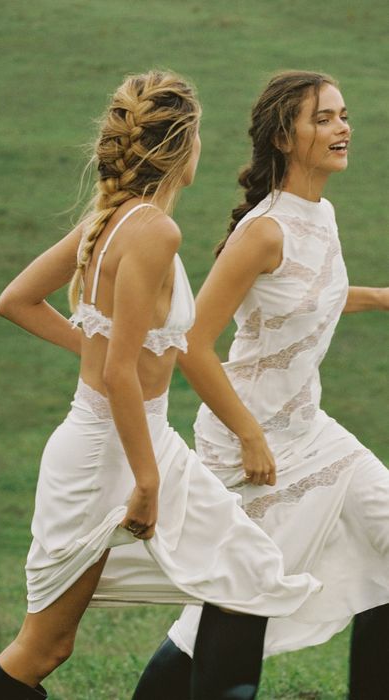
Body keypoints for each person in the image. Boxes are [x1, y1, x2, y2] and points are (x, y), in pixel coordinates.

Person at [0, 70, 320, 700]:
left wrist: (99, 354)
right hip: (113, 457)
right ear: (183, 147)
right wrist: (147, 482)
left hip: (136, 444)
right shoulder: (154, 232)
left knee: (250, 575)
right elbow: (118, 372)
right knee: (45, 647)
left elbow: (16, 301)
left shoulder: (110, 220)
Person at [132, 70, 389, 700]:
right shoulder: (264, 231)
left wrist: (378, 297)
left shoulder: (320, 213)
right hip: (251, 440)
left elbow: (308, 297)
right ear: (283, 136)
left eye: (342, 114)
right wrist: (250, 436)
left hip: (312, 433)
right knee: (233, 604)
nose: (341, 128)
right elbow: (192, 342)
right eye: (322, 118)